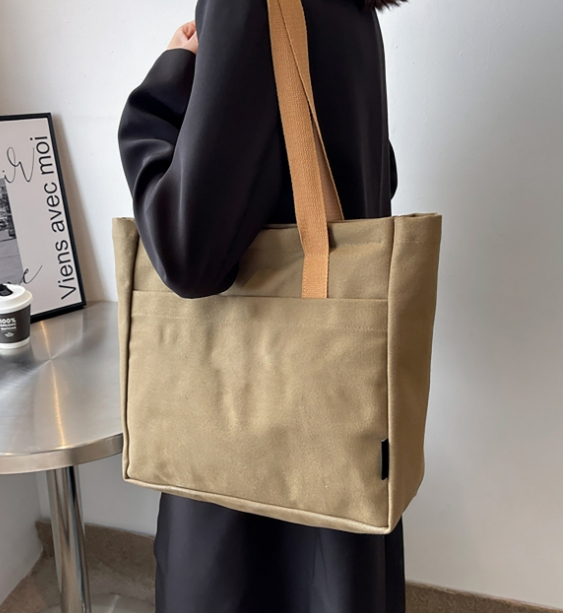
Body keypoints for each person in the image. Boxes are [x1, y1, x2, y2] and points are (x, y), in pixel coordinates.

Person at [118, 0, 407, 611]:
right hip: (336, 420)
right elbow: (378, 175)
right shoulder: (355, 13)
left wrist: (167, 81)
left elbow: (189, 254)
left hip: (240, 466)